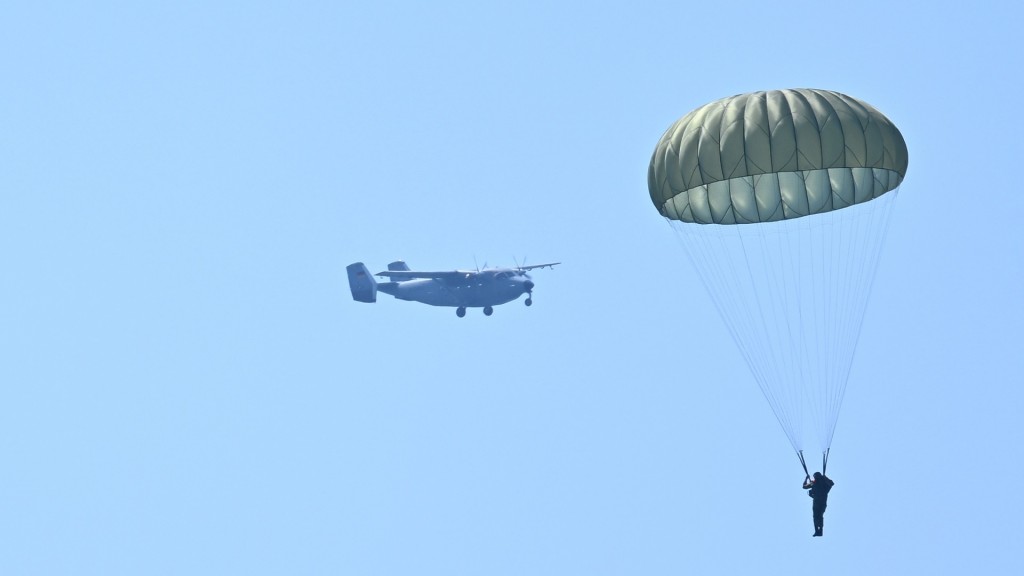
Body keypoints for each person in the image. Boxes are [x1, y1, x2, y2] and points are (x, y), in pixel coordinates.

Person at [802, 472, 835, 537]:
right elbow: (804, 487)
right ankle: (818, 531)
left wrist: (825, 477)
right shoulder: (815, 483)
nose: (815, 478)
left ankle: (819, 531)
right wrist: (806, 478)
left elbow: (832, 483)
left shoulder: (823, 483)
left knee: (818, 516)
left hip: (820, 503)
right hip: (819, 503)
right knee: (817, 517)